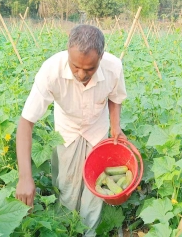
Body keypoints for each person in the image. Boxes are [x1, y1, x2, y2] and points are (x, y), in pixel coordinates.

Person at [15, 24, 127, 236]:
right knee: (67, 186)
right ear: (67, 52)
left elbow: (115, 97)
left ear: (101, 57)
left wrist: (115, 126)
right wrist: (24, 177)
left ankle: (88, 232)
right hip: (67, 129)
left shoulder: (114, 67)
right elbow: (26, 122)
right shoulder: (51, 71)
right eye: (75, 66)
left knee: (95, 187)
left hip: (97, 128)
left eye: (90, 69)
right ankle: (66, 228)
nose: (81, 74)